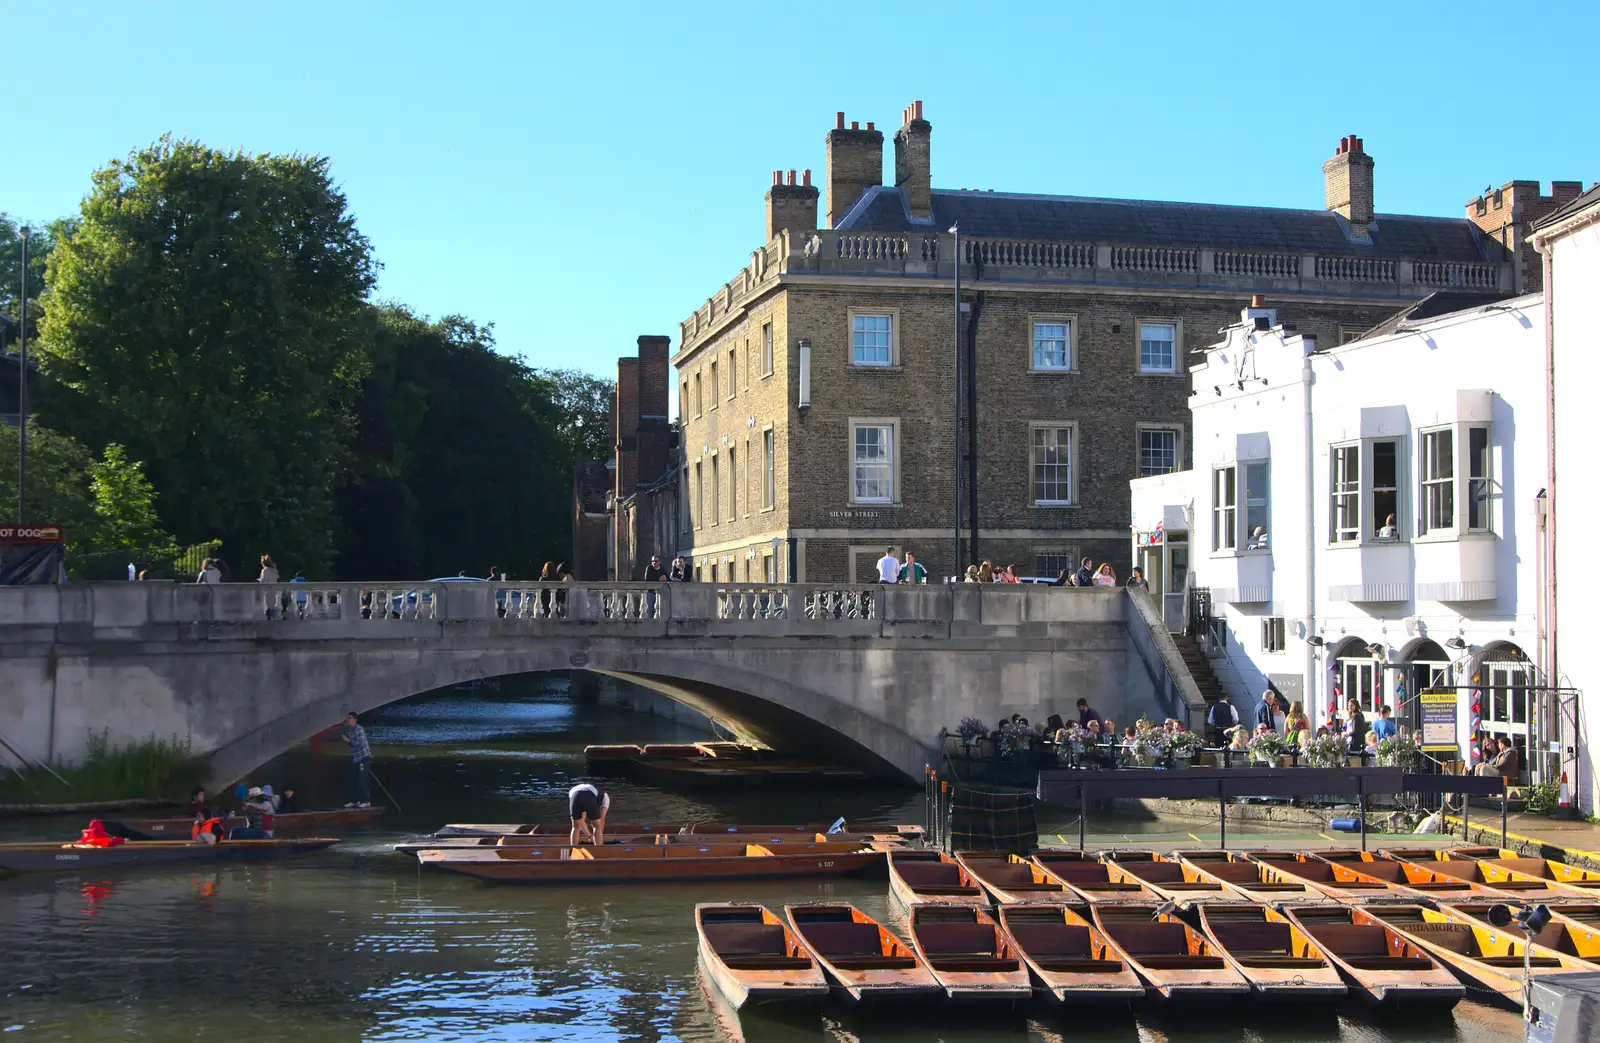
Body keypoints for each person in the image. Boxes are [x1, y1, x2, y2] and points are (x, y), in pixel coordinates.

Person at [341, 711, 373, 808]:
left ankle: (366, 801)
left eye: (350, 718)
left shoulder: (359, 729)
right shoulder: (351, 730)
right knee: (353, 780)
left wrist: (349, 741)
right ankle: (354, 800)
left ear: (355, 720)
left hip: (364, 757)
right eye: (347, 718)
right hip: (356, 759)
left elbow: (361, 743)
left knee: (362, 780)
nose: (348, 720)